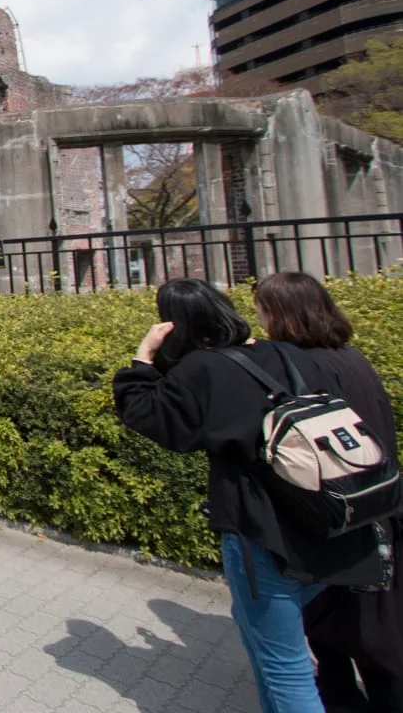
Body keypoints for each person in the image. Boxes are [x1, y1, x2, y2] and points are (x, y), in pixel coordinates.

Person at [113, 277, 388, 713]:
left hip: (264, 529)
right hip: (327, 515)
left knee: (285, 667)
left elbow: (148, 414)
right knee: (270, 641)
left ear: (172, 324)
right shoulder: (280, 353)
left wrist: (142, 357)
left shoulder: (201, 371)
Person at [252, 272, 402, 713]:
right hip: (377, 502)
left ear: (281, 314)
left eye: (262, 308)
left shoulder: (295, 366)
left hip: (334, 510)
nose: (258, 317)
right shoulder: (352, 358)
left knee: (336, 623)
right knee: (373, 626)